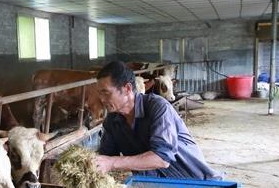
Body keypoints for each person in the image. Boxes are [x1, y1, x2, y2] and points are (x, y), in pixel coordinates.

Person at [93, 61, 222, 180]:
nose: (102, 99)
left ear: (127, 89)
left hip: (195, 183)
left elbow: (162, 159)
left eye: (106, 93)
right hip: (154, 187)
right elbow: (105, 156)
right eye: (99, 93)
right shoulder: (112, 121)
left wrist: (112, 163)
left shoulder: (158, 107)